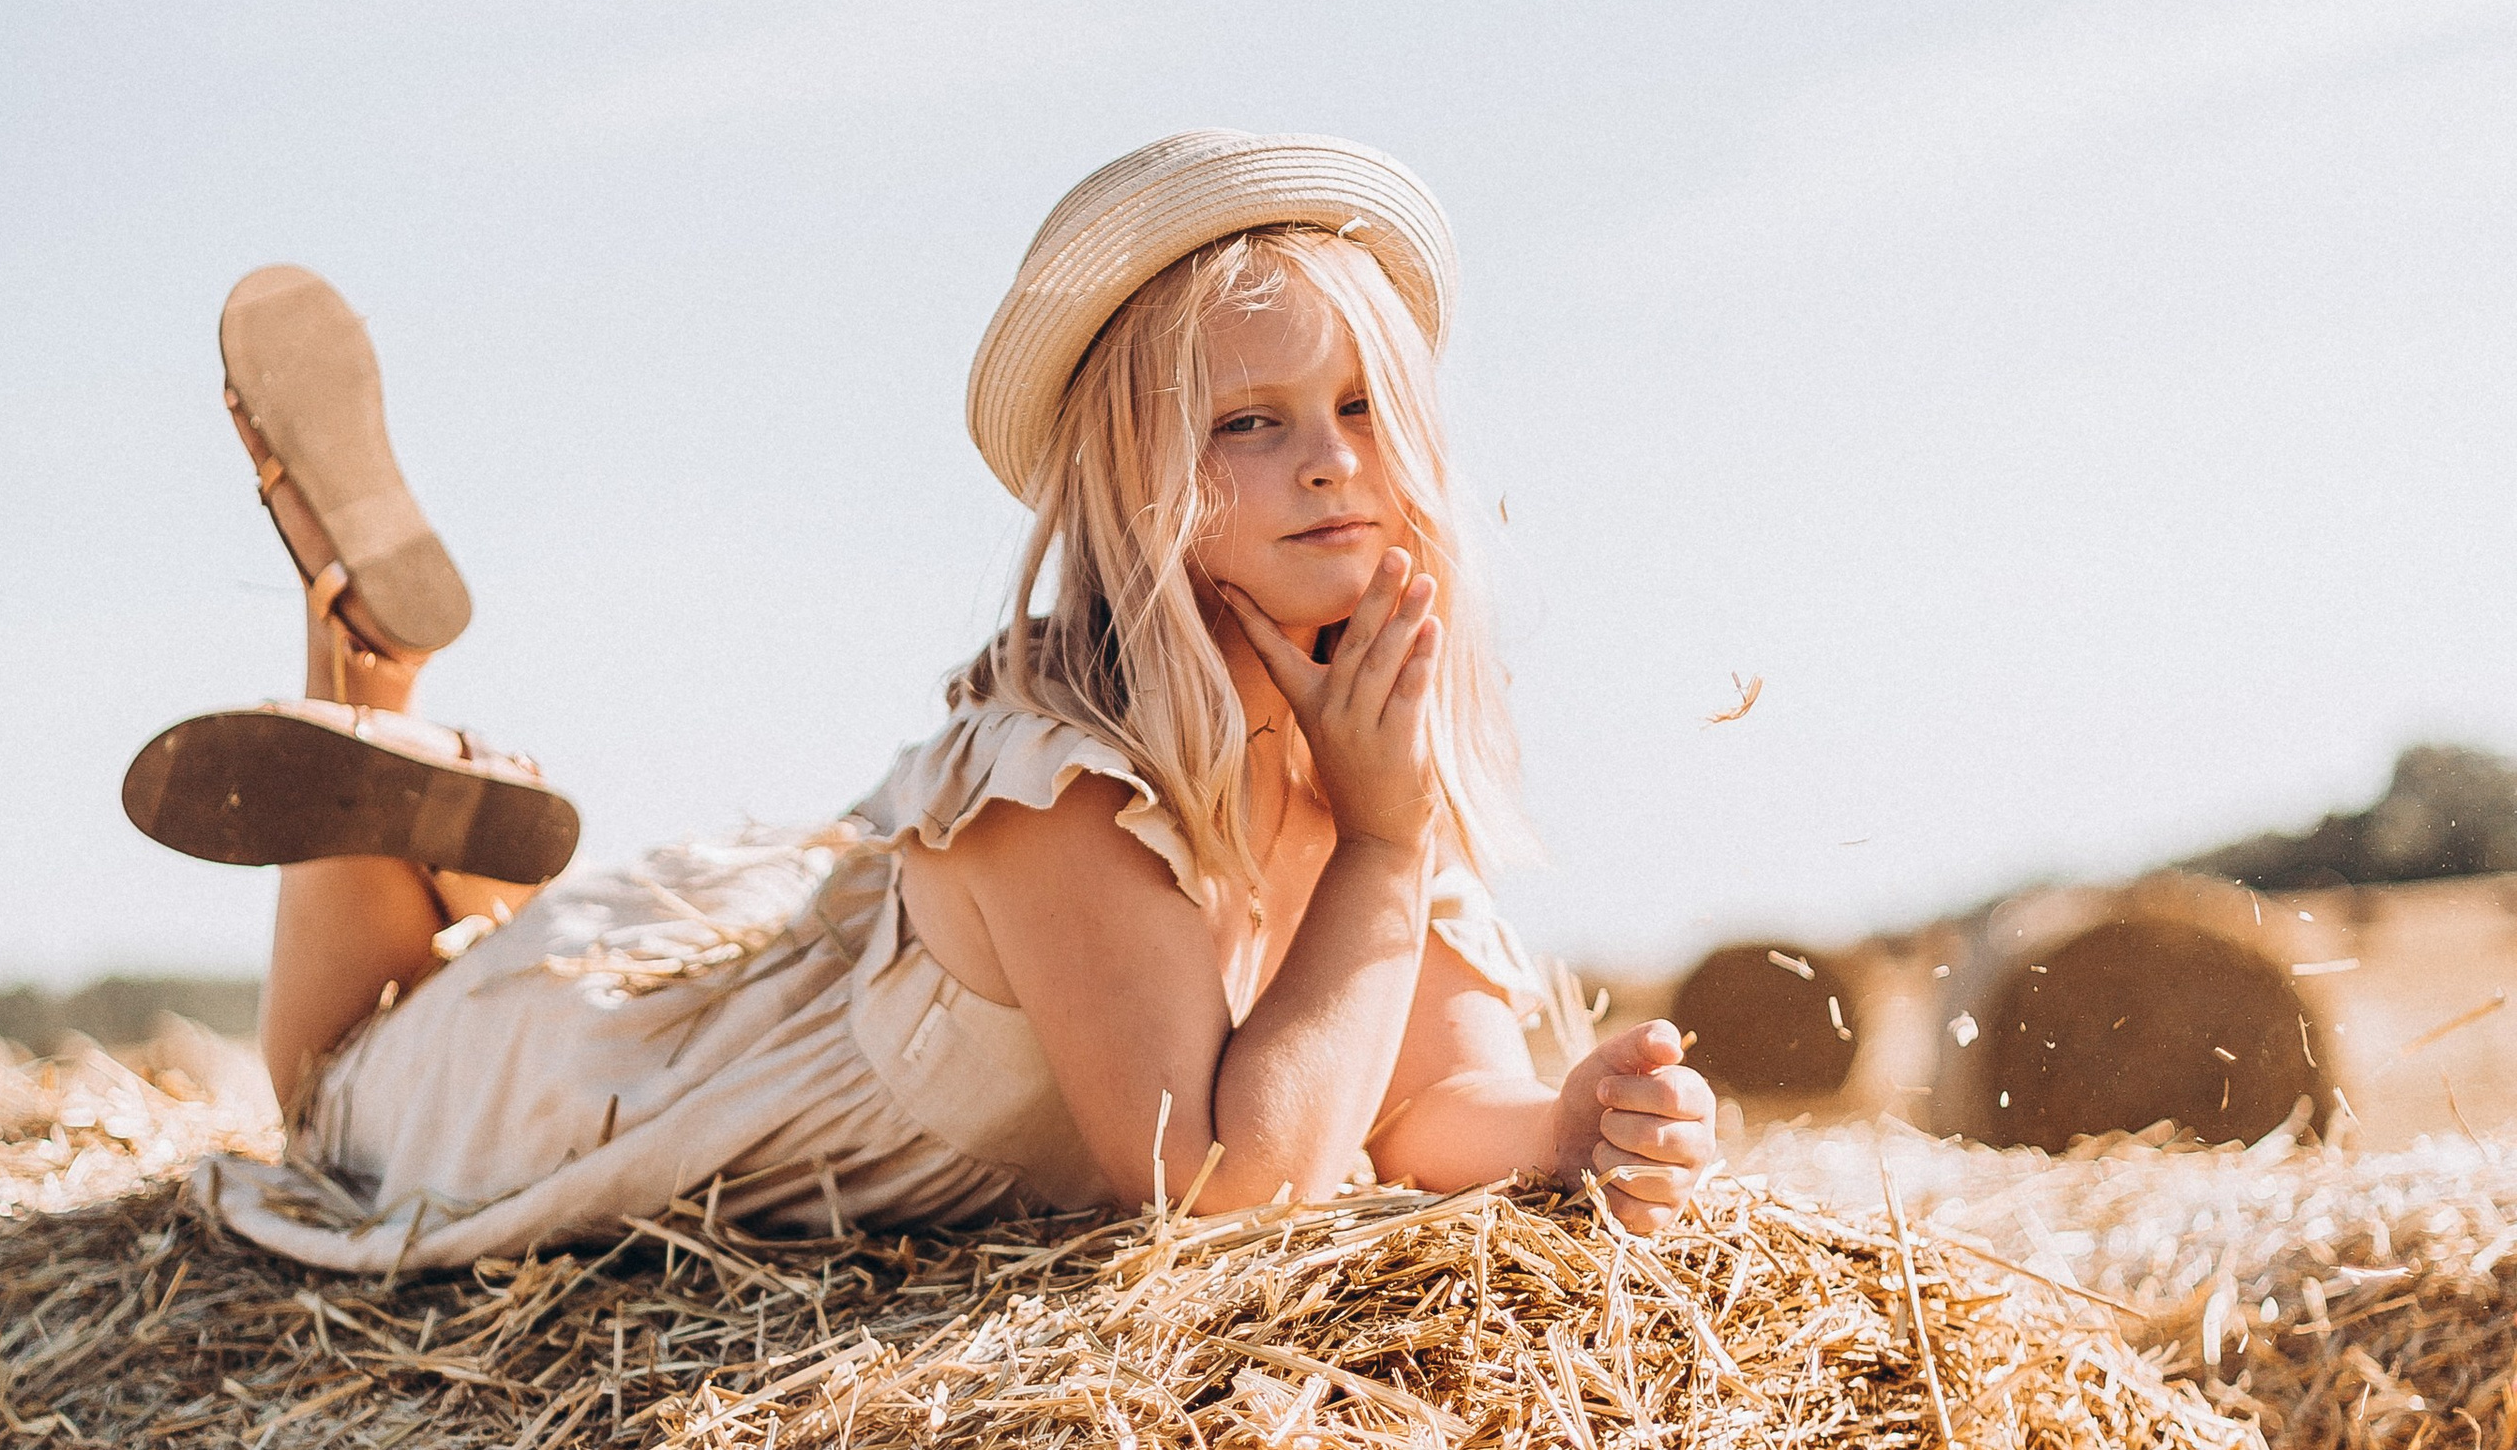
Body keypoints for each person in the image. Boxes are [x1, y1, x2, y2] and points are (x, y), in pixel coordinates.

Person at [125, 131, 1716, 1273]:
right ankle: (363, 678)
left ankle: (432, 822)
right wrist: (1379, 844)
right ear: (1132, 481)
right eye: (1248, 422)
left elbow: (1427, 1096)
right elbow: (1236, 1187)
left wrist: (1570, 1127)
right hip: (621, 1097)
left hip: (780, 960)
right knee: (335, 1100)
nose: (1328, 459)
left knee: (475, 980)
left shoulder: (1360, 738)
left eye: (1363, 408)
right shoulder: (1069, 787)